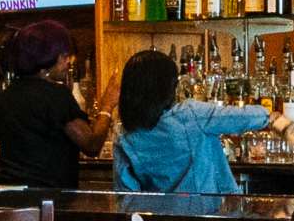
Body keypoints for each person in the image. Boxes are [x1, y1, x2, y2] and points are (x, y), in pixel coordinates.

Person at [106, 50, 267, 197]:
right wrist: (272, 118)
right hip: (216, 220)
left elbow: (127, 198)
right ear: (168, 87)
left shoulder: (125, 138)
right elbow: (240, 117)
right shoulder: (190, 114)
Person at [0, 20, 104, 191]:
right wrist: (107, 107)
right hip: (48, 203)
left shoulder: (8, 94)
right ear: (47, 57)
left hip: (8, 202)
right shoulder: (56, 95)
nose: (68, 61)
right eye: (64, 55)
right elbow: (91, 145)